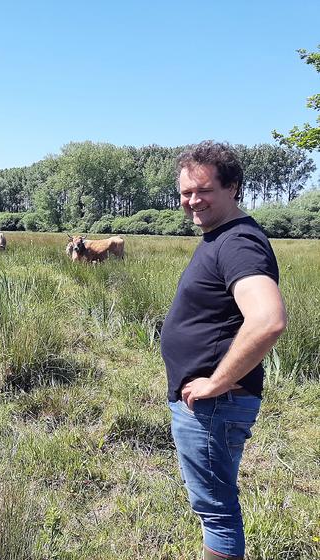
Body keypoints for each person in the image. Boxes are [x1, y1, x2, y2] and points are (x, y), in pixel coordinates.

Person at [160, 141, 287, 560]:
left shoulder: (237, 242)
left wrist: (217, 381)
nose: (192, 200)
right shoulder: (220, 236)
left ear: (233, 187)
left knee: (217, 512)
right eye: (185, 192)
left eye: (203, 190)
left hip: (215, 405)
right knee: (216, 506)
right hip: (212, 404)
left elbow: (268, 320)